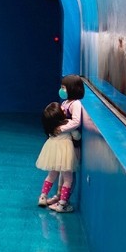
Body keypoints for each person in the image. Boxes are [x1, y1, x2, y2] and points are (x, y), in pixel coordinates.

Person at [39, 74, 85, 212]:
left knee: (62, 174)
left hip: (68, 146)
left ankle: (60, 200)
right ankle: (59, 199)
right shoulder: (65, 103)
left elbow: (76, 121)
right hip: (63, 146)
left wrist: (60, 128)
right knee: (62, 175)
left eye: (64, 87)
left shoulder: (76, 104)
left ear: (72, 88)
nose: (61, 90)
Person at [35, 102, 80, 210]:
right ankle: (62, 204)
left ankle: (43, 196)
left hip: (53, 153)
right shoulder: (68, 124)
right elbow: (77, 136)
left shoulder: (51, 128)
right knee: (68, 179)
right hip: (65, 155)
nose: (64, 109)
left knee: (51, 175)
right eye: (62, 110)